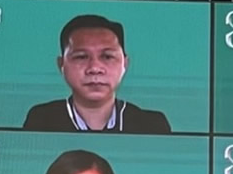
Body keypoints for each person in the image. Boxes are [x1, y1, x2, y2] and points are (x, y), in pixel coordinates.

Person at [22, 15, 170, 134]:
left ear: (125, 64)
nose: (94, 68)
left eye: (107, 57)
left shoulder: (151, 124)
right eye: (81, 57)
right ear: (61, 64)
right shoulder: (41, 120)